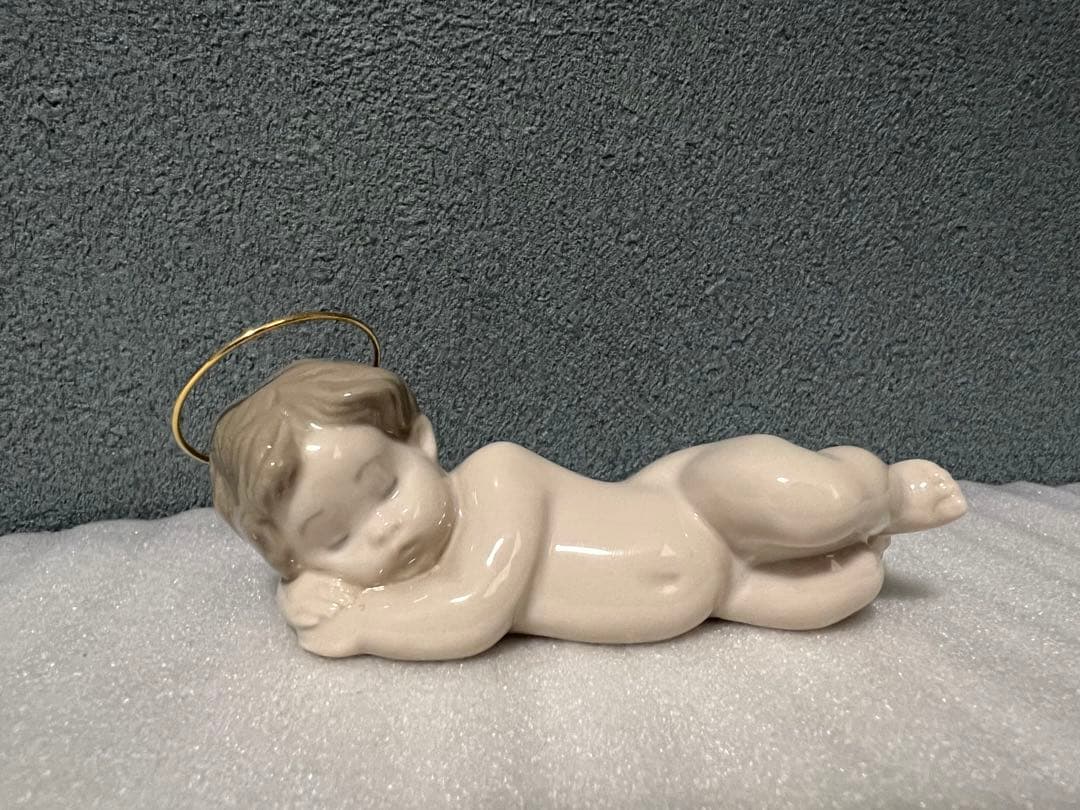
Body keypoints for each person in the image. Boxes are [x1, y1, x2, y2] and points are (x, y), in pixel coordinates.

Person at [210, 360, 967, 659]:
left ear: (422, 442)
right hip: (726, 586)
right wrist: (313, 594)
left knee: (821, 507)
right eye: (336, 536)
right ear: (297, 557)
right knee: (848, 587)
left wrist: (358, 621)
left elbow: (473, 610)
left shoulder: (496, 477)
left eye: (385, 488)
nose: (383, 528)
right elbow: (386, 595)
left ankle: (885, 490)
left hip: (696, 504)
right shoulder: (403, 582)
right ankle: (866, 532)